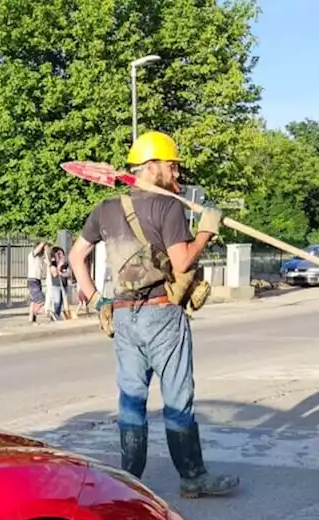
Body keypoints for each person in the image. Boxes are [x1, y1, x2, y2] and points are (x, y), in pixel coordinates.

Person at [67, 131, 239, 499]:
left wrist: (98, 300)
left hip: (124, 316)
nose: (176, 173)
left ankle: (129, 484)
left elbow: (74, 256)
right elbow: (182, 261)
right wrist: (207, 231)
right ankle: (192, 477)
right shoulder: (169, 207)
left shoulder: (106, 209)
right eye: (171, 166)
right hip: (162, 314)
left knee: (131, 400)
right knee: (178, 397)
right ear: (152, 167)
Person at [26, 243, 47, 323]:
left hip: (37, 279)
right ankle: (35, 312)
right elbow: (38, 249)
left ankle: (31, 318)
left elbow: (48, 262)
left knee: (34, 301)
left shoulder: (40, 257)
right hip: (32, 279)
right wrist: (44, 243)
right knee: (42, 300)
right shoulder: (32, 255)